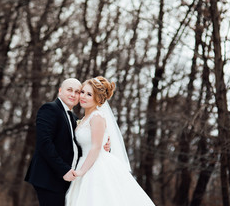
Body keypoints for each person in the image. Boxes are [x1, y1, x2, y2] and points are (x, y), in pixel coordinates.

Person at [65, 76, 156, 206]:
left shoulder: (97, 117)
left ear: (98, 99)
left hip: (96, 166)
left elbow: (96, 147)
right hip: (85, 162)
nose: (83, 96)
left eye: (89, 94)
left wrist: (81, 171)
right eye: (83, 92)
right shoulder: (84, 119)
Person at [25, 78, 110, 206]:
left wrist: (105, 145)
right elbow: (44, 143)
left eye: (77, 91)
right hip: (49, 177)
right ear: (60, 91)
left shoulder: (75, 118)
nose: (73, 94)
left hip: (68, 179)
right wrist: (64, 170)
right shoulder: (49, 109)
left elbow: (84, 146)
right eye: (69, 90)